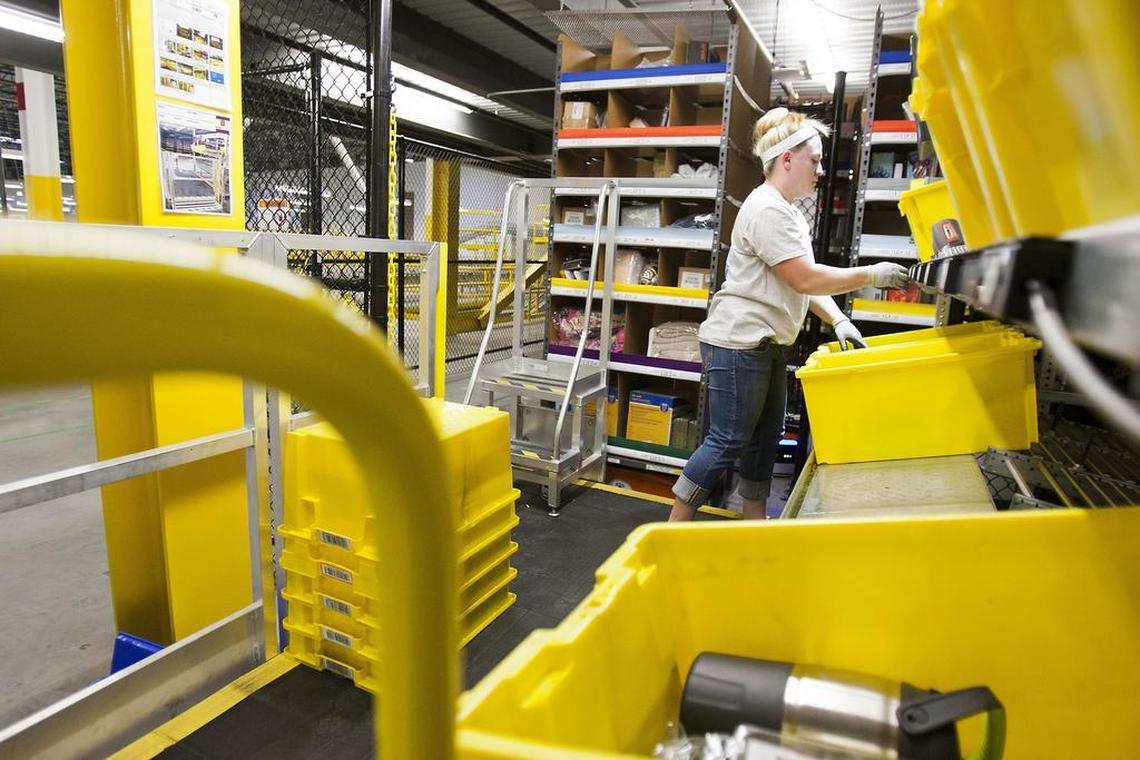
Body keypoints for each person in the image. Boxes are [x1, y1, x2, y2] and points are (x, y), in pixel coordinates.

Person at [668, 108, 909, 521]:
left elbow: (801, 281)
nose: (820, 171)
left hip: (768, 344)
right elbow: (805, 277)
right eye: (814, 161)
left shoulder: (789, 211)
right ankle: (673, 528)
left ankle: (754, 525)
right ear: (787, 159)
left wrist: (838, 319)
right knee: (727, 440)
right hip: (738, 344)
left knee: (765, 440)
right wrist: (871, 274)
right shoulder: (767, 210)